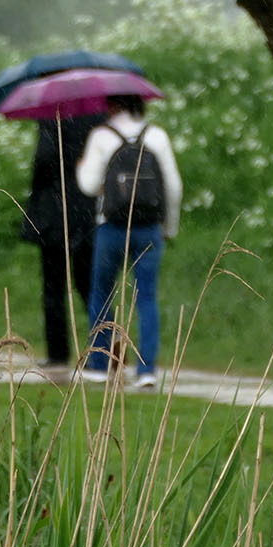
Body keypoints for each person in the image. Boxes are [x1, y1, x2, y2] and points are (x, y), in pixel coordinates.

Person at [76, 94, 183, 389]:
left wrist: (81, 166)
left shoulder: (101, 135)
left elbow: (87, 185)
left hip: (110, 227)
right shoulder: (156, 135)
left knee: (102, 293)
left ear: (110, 104)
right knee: (146, 297)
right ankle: (147, 370)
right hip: (148, 228)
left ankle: (99, 365)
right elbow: (173, 186)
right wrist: (168, 228)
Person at [21, 113, 104, 381]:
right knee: (90, 286)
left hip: (54, 217)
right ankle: (102, 349)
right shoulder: (97, 119)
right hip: (86, 212)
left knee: (53, 287)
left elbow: (44, 160)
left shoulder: (52, 120)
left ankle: (58, 352)